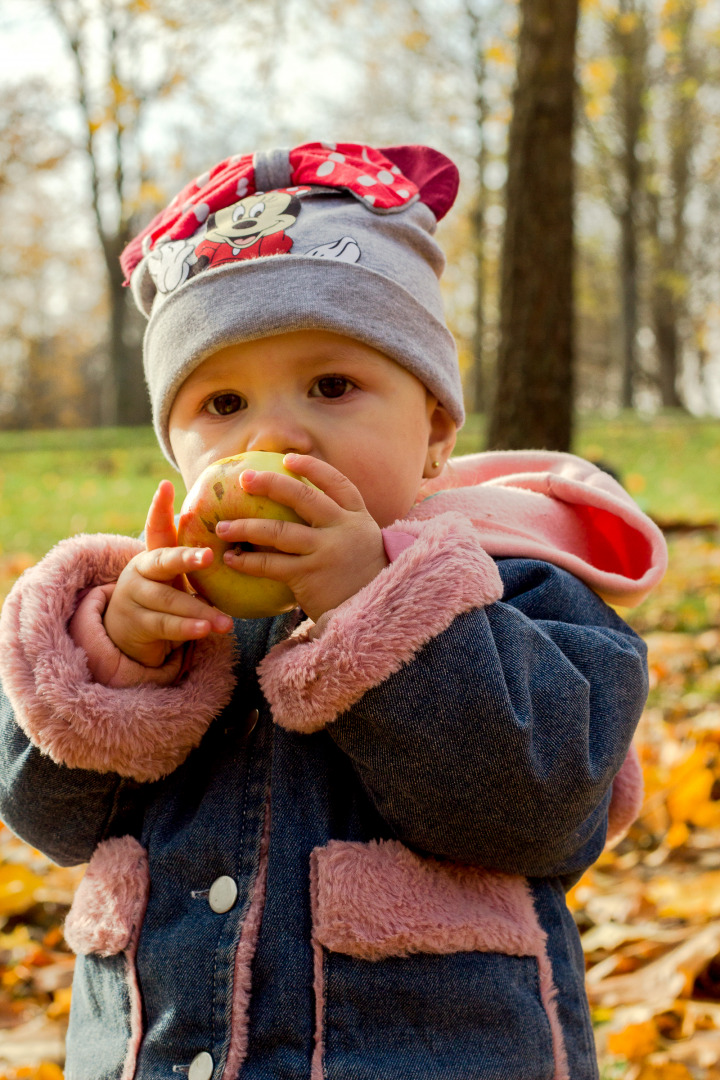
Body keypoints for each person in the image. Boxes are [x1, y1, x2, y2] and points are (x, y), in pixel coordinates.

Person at [0, 141, 667, 1080]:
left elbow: (540, 812)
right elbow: (49, 818)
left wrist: (372, 605)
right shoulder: (157, 615)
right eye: (223, 401)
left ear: (434, 429)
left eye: (332, 386)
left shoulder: (523, 591)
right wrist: (117, 661)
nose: (275, 436)